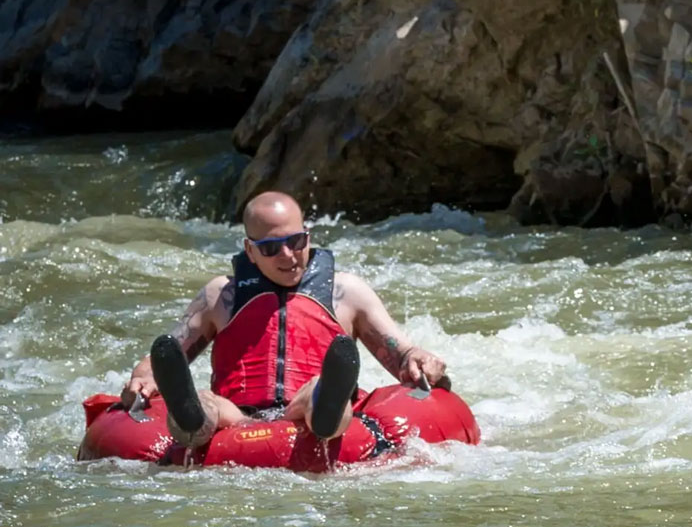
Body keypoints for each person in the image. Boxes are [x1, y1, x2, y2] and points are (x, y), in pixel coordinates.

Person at [121, 191, 448, 446]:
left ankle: (326, 414)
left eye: (295, 241)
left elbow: (402, 354)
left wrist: (418, 359)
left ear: (307, 236)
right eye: (271, 248)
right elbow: (165, 355)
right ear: (250, 251)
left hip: (304, 411)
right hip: (235, 418)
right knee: (207, 403)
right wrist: (145, 377)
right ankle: (191, 422)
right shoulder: (220, 297)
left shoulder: (347, 293)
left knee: (316, 391)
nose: (288, 256)